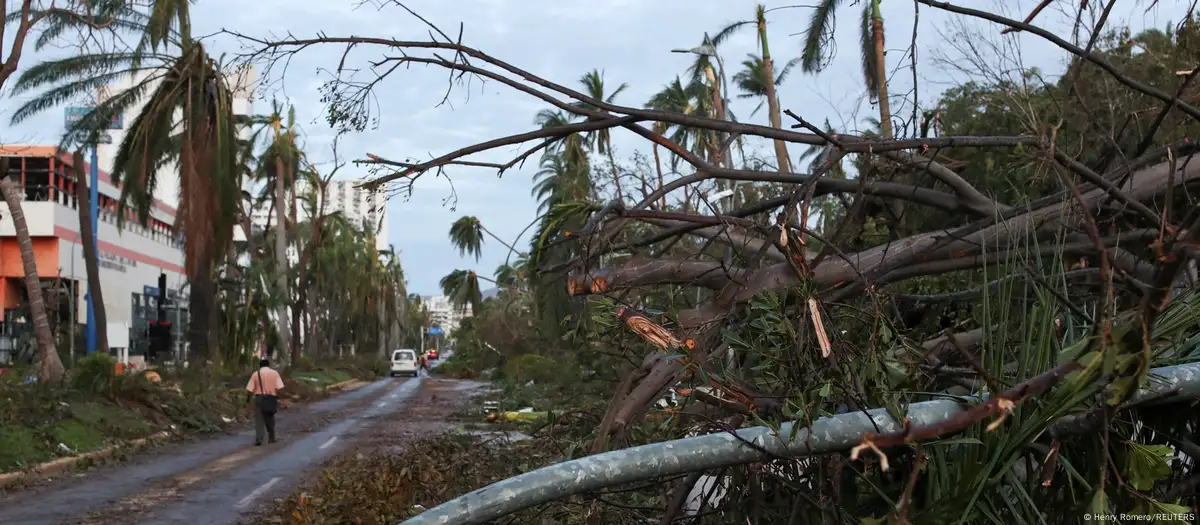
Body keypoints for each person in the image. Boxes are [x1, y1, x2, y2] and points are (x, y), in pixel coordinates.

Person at [245, 358, 285, 446]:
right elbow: (280, 388)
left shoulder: (255, 374)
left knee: (259, 419)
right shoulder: (275, 373)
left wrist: (248, 400)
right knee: (270, 417)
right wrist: (280, 399)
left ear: (260, 366)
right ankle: (272, 438)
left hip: (259, 398)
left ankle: (259, 438)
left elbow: (250, 390)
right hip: (271, 398)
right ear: (268, 365)